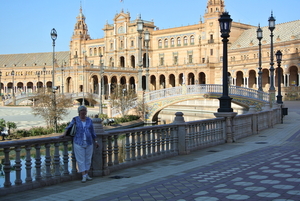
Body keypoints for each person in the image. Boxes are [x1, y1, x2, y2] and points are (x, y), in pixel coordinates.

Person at [61, 105, 99, 183]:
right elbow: (69, 127)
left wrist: (95, 141)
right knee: (81, 160)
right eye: (82, 111)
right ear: (79, 112)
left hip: (89, 142)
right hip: (78, 142)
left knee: (88, 159)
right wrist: (64, 134)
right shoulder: (75, 119)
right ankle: (83, 175)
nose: (83, 112)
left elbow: (92, 131)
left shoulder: (89, 120)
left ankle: (87, 174)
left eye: (84, 111)